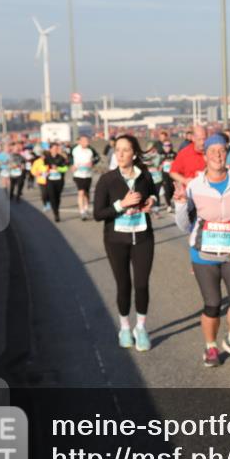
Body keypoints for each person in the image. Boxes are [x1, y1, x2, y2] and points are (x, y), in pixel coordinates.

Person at [175, 134, 230, 368]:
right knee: (212, 304)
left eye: (222, 151)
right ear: (205, 155)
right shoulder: (194, 186)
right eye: (213, 151)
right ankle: (211, 347)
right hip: (203, 253)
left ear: (228, 153)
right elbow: (184, 225)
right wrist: (181, 204)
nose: (218, 155)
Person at [93, 134, 156, 352]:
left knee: (141, 284)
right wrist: (122, 204)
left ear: (134, 153)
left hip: (143, 237)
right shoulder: (107, 179)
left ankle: (141, 328)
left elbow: (154, 193)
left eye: (125, 150)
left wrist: (151, 201)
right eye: (117, 149)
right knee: (124, 286)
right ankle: (124, 327)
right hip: (116, 239)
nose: (119, 154)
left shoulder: (144, 175)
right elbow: (98, 213)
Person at [169, 125, 207, 189]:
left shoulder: (212, 151)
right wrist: (185, 181)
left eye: (204, 139)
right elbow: (173, 172)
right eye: (199, 139)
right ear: (193, 138)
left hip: (208, 192)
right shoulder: (184, 153)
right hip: (191, 192)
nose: (202, 142)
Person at [71, 135, 99, 221]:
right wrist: (72, 165)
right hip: (78, 174)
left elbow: (97, 158)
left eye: (87, 141)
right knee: (81, 192)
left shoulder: (91, 150)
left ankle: (86, 208)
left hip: (88, 174)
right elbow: (68, 158)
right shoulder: (74, 149)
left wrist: (92, 163)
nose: (87, 142)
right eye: (84, 141)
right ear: (80, 141)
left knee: (86, 193)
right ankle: (82, 211)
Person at [42, 142, 70, 222]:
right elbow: (42, 168)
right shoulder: (46, 158)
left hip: (59, 180)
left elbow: (66, 168)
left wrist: (58, 169)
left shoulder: (61, 157)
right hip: (50, 180)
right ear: (50, 149)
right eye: (53, 149)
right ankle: (56, 213)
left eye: (56, 149)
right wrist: (47, 170)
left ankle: (56, 208)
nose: (55, 150)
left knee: (57, 197)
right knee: (52, 196)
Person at [30, 147, 51, 212]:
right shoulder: (37, 161)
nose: (45, 157)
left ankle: (49, 202)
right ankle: (45, 204)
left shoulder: (49, 161)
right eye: (44, 155)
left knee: (49, 193)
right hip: (41, 180)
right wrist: (37, 173)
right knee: (44, 194)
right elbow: (33, 170)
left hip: (50, 180)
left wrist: (49, 172)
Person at [159, 140, 177, 211]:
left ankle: (168, 199)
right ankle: (169, 205)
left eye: (169, 145)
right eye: (165, 145)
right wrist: (161, 164)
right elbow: (156, 165)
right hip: (164, 175)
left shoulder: (174, 154)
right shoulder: (160, 154)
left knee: (172, 189)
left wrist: (173, 162)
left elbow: (178, 163)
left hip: (173, 174)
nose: (167, 147)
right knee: (167, 189)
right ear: (163, 147)